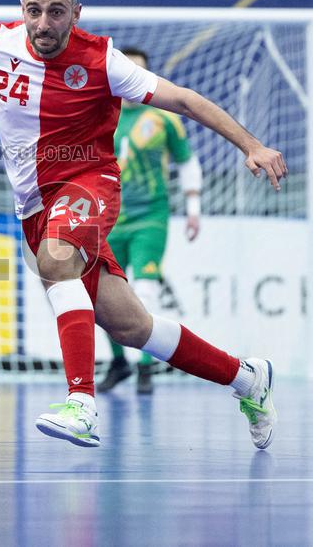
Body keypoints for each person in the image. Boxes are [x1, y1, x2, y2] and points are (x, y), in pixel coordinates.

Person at [0, 0, 284, 450]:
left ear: (75, 13)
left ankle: (81, 404)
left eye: (56, 12)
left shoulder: (103, 61)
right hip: (34, 208)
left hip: (88, 184)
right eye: (34, 11)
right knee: (132, 327)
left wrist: (250, 145)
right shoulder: (1, 45)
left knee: (57, 260)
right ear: (22, 10)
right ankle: (249, 379)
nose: (43, 24)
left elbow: (182, 99)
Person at [98, 47, 202, 395]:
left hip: (150, 217)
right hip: (108, 218)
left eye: (138, 71)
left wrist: (193, 208)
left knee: (144, 289)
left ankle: (146, 366)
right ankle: (118, 363)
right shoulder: (100, 114)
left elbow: (187, 162)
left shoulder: (164, 118)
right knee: (100, 294)